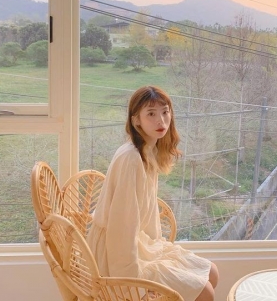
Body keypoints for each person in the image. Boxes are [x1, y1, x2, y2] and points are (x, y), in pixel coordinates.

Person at [87, 85, 219, 301]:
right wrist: (131, 282)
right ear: (136, 120)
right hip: (116, 255)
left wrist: (158, 247)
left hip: (141, 243)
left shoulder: (149, 151)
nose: (161, 121)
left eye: (165, 112)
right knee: (206, 293)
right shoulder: (131, 158)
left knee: (212, 272)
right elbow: (121, 227)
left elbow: (147, 213)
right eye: (151, 114)